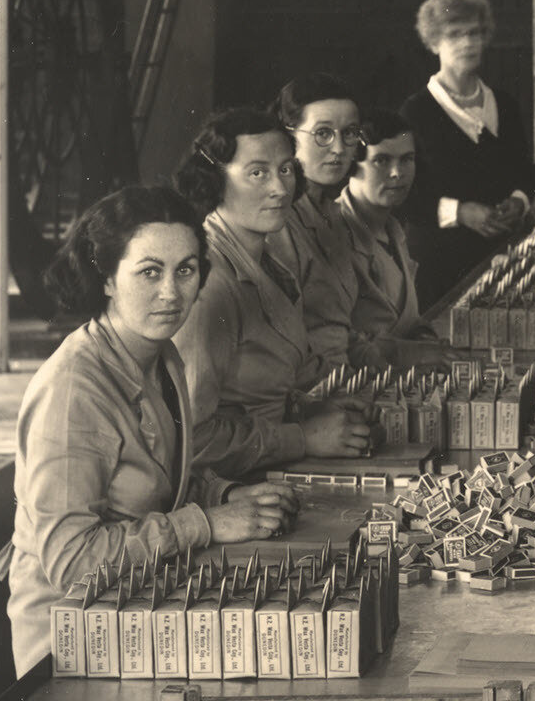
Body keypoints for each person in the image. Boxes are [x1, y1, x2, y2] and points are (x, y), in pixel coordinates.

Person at [2, 185, 299, 674]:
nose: (171, 293)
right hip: (68, 646)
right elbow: (72, 560)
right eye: (149, 272)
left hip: (133, 612)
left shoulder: (157, 354)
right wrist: (203, 523)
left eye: (186, 270)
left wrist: (225, 495)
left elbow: (153, 474)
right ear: (106, 280)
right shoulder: (75, 389)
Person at [172, 108, 371, 477]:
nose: (280, 188)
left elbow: (259, 391)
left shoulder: (269, 265)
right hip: (233, 489)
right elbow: (190, 441)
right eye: (257, 173)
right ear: (213, 181)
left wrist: (311, 408)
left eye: (285, 169)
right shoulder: (210, 287)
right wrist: (302, 438)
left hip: (271, 468)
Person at [399, 0, 535, 309]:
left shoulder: (504, 104)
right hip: (440, 265)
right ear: (433, 42)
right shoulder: (414, 112)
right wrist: (461, 212)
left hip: (503, 257)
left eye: (474, 33)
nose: (467, 43)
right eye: (455, 35)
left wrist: (519, 202)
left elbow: (526, 174)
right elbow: (405, 196)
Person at [271, 72, 365, 368]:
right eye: (323, 133)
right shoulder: (278, 224)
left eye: (349, 132)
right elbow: (278, 345)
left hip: (340, 380)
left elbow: (336, 327)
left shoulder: (334, 214)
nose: (339, 148)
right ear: (288, 136)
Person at [339, 108, 438, 367]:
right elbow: (331, 340)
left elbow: (406, 318)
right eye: (382, 160)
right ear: (351, 162)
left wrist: (423, 336)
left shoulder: (393, 230)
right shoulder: (331, 232)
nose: (397, 173)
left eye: (407, 159)